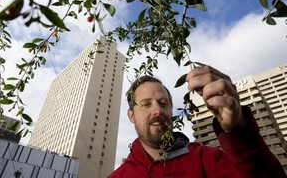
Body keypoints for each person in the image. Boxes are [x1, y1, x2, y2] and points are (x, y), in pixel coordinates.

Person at [108, 65, 287, 178]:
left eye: (164, 103)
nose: (157, 110)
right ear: (131, 115)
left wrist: (238, 132)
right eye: (146, 104)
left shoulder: (208, 159)